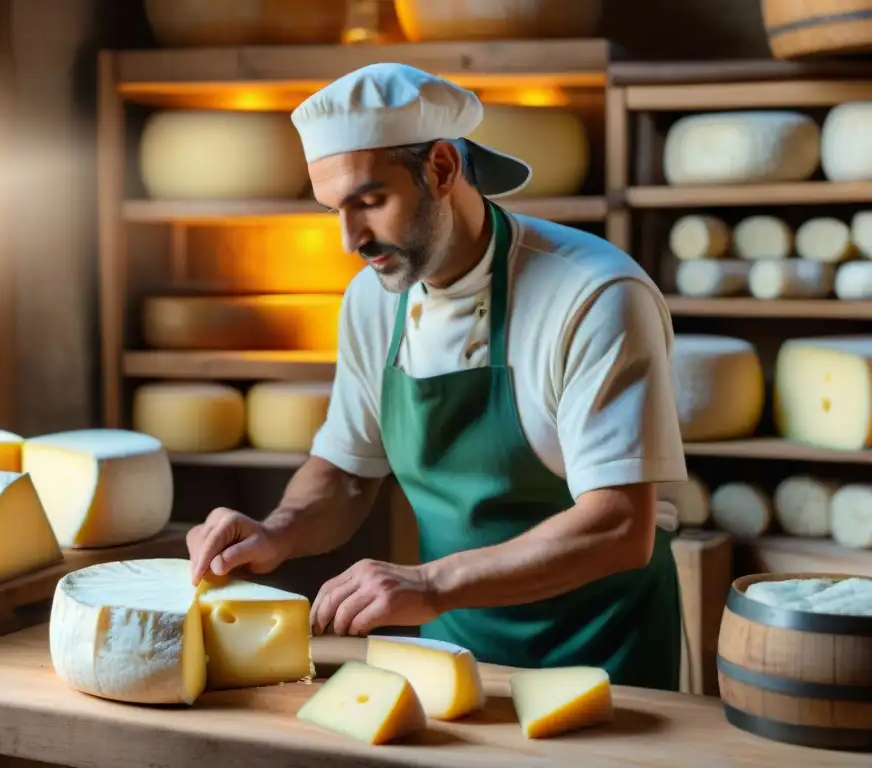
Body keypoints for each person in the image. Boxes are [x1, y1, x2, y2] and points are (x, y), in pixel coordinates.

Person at [186, 62, 689, 691]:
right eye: (333, 210)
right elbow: (346, 472)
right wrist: (277, 531)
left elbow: (619, 526)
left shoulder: (592, 294)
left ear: (443, 168)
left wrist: (428, 584)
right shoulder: (372, 302)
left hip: (605, 663)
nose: (351, 240)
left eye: (370, 202)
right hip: (458, 662)